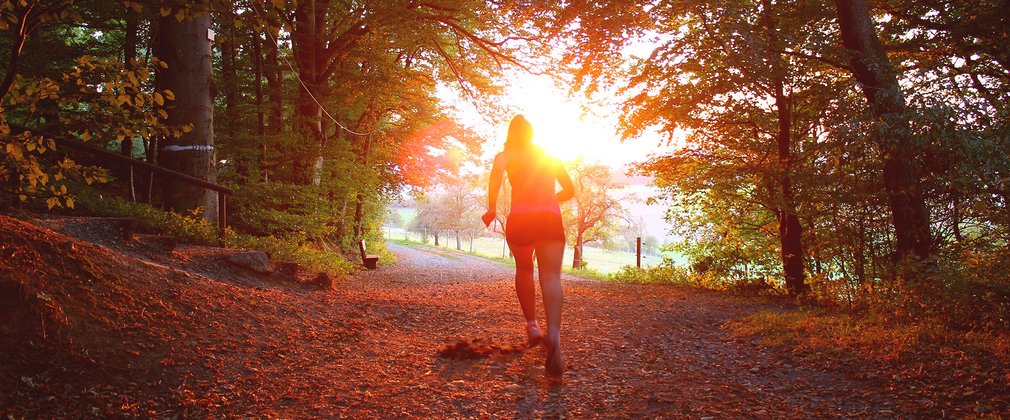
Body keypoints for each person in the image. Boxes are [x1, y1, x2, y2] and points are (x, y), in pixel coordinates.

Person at [482, 115, 574, 376]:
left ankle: (533, 326)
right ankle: (554, 335)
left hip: (520, 219)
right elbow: (570, 189)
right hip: (549, 218)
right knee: (551, 276)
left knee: (524, 268)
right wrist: (549, 199)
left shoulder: (505, 156)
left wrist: (490, 209)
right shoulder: (549, 156)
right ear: (532, 134)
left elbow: (495, 180)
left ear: (511, 134)